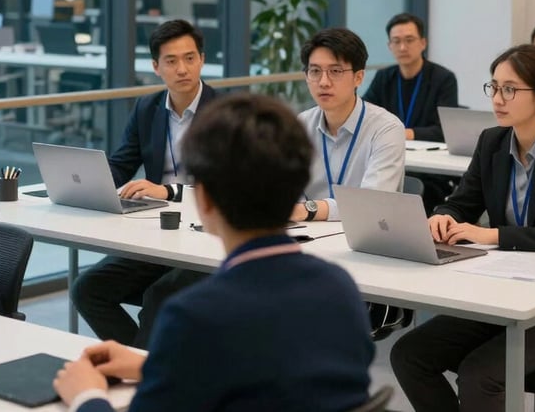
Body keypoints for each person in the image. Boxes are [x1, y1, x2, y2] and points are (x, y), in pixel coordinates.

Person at [54, 93, 375, 412]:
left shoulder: (196, 315)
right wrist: (149, 366)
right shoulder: (341, 289)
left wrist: (86, 396)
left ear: (203, 201)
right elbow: (272, 378)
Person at [390, 44, 535, 412]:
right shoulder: (492, 142)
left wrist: (490, 235)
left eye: (510, 89)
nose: (498, 98)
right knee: (409, 355)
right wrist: (443, 214)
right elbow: (463, 201)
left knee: (479, 375)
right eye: (494, 87)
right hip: (501, 294)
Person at [72, 19, 215, 348]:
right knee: (87, 290)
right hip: (158, 234)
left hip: (207, 239)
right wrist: (86, 183)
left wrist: (167, 191)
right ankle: (146, 365)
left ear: (202, 60)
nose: (182, 68)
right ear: (156, 67)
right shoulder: (148, 108)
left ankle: (147, 377)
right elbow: (122, 163)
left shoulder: (227, 111)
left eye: (190, 58)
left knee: (158, 297)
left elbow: (229, 187)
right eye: (171, 61)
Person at [291, 27, 405, 224]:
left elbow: (371, 202)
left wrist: (308, 209)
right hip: (308, 233)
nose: (323, 82)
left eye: (335, 71)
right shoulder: (301, 125)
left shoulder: (386, 128)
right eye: (315, 71)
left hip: (367, 237)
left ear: (358, 77)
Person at [363, 12, 459, 142]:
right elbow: (364, 115)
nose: (402, 48)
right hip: (388, 148)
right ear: (389, 46)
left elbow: (446, 130)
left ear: (423, 43)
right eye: (396, 41)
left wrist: (404, 133)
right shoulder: (383, 77)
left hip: (428, 154)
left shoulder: (444, 78)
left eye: (409, 40)